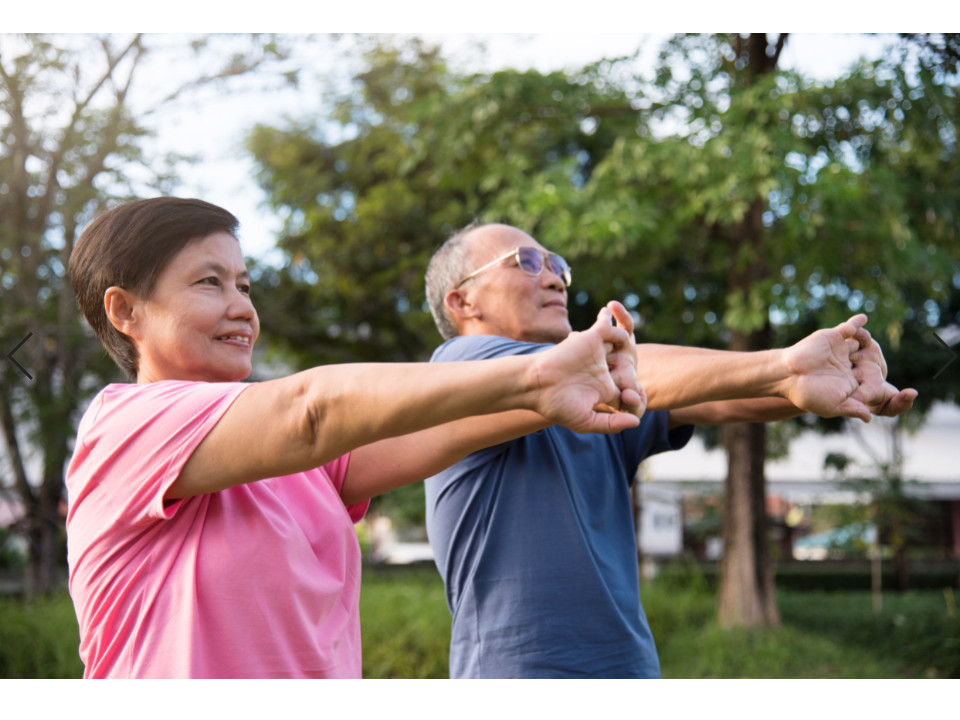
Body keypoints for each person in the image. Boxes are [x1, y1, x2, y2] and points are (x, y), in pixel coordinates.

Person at [64, 198, 647, 679]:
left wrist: (546, 397)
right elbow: (310, 410)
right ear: (126, 311)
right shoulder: (125, 426)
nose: (242, 307)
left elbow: (439, 426)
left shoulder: (304, 465)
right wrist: (540, 373)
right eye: (209, 283)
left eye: (244, 285)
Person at [422, 221, 918, 679]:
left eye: (556, 265)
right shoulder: (460, 368)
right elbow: (620, 372)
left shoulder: (592, 395)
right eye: (525, 262)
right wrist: (785, 366)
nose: (554, 279)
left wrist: (814, 383)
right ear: (463, 303)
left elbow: (715, 398)